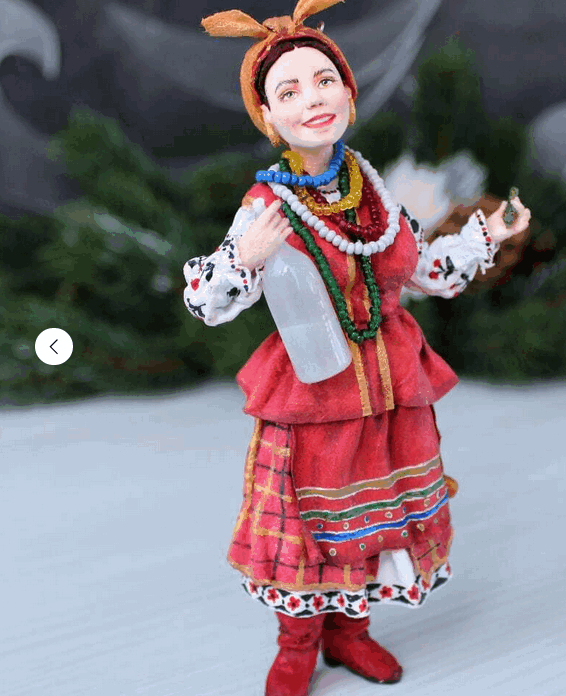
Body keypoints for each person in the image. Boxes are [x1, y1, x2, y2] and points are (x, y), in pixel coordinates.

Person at [184, 2, 531, 695]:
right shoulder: (266, 207)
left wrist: (484, 238)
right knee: (307, 527)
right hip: (315, 396)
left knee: (377, 518)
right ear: (268, 116)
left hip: (390, 392)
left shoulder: (373, 191)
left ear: (348, 91)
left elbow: (422, 270)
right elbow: (207, 302)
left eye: (324, 81)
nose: (312, 100)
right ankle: (296, 646)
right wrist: (244, 259)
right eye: (290, 91)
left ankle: (350, 632)